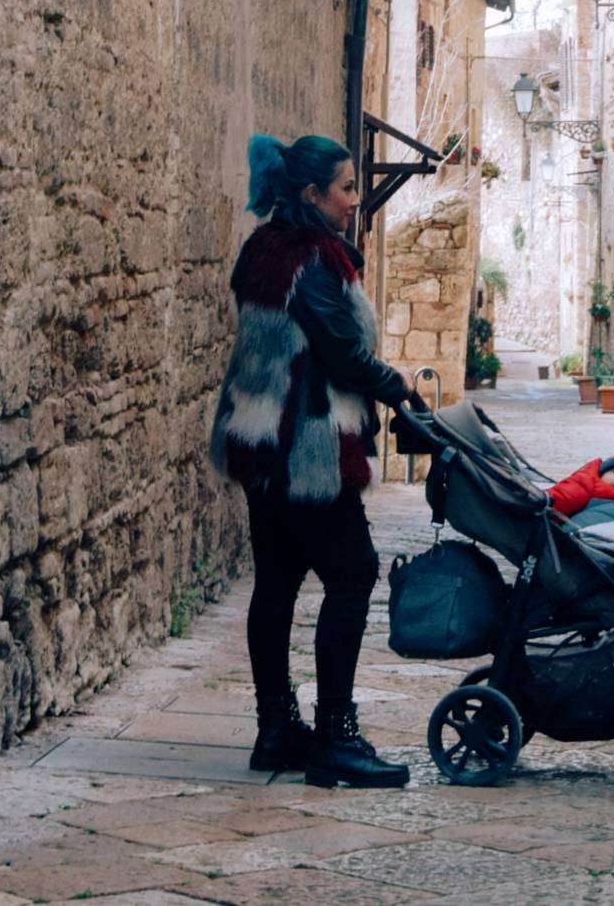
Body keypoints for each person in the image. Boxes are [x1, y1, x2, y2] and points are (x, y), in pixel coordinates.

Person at [210, 133, 414, 788]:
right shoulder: (316, 259)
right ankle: (335, 736)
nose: (354, 201)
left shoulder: (262, 250)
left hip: (258, 437)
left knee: (276, 580)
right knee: (353, 572)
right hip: (308, 444)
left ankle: (276, 729)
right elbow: (340, 353)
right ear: (311, 193)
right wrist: (397, 385)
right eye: (346, 188)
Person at [546, 454, 614, 529]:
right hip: (562, 543)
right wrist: (546, 500)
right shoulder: (587, 485)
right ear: (601, 474)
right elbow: (563, 496)